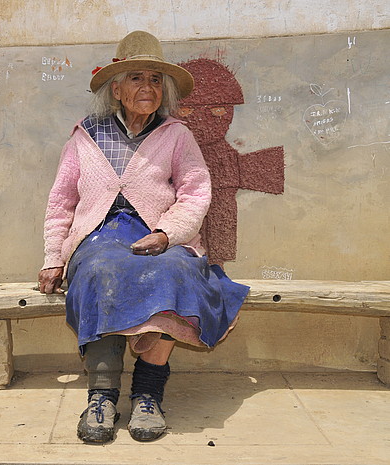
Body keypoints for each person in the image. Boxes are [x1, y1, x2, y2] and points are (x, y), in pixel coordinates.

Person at [38, 31, 250, 444]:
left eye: (155, 79)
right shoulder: (86, 134)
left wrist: (168, 233)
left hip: (159, 233)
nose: (147, 88)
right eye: (136, 78)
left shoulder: (176, 134)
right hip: (98, 236)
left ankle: (148, 395)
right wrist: (52, 257)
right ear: (116, 88)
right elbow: (61, 200)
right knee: (101, 271)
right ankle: (101, 396)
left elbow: (195, 190)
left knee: (175, 272)